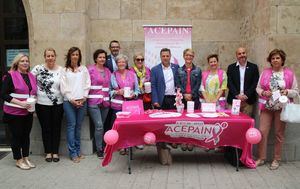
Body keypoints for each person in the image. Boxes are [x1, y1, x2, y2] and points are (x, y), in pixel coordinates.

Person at [255, 49, 299, 170]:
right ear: (270, 60)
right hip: (267, 107)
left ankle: (276, 159)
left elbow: (296, 91)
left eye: (277, 58)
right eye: (273, 58)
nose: (275, 60)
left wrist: (287, 92)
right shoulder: (265, 72)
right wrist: (263, 92)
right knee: (263, 132)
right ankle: (261, 158)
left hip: (282, 108)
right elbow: (258, 88)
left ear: (282, 60)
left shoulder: (289, 73)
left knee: (279, 134)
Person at [1, 53, 37, 170]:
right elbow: (4, 94)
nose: (25, 63)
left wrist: (33, 100)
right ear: (17, 63)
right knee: (16, 136)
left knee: (26, 136)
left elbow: (33, 92)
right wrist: (21, 103)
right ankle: (18, 159)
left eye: (27, 61)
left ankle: (26, 157)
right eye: (22, 61)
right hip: (14, 113)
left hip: (28, 112)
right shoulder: (10, 75)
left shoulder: (31, 76)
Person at [31, 48, 64, 162]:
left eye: (52, 56)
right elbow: (29, 82)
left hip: (58, 104)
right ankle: (48, 152)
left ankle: (55, 152)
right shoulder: (37, 69)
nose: (50, 58)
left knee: (56, 128)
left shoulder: (61, 70)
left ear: (55, 56)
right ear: (44, 57)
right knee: (46, 128)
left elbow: (65, 86)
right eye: (48, 56)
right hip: (42, 103)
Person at [60, 47, 91, 163]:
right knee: (71, 125)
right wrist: (71, 100)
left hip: (82, 101)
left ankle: (78, 151)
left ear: (79, 56)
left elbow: (88, 83)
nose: (75, 56)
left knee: (78, 126)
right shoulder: (64, 70)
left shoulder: (83, 69)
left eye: (77, 54)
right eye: (73, 54)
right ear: (69, 56)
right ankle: (72, 153)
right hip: (69, 102)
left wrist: (84, 98)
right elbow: (63, 87)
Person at [110, 54, 140, 155]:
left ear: (126, 63)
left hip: (130, 105)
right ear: (117, 64)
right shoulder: (113, 75)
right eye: (119, 62)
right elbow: (109, 91)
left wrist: (134, 94)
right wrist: (117, 92)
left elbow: (137, 90)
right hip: (117, 105)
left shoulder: (132, 74)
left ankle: (130, 143)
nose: (121, 64)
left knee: (130, 126)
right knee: (120, 126)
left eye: (123, 62)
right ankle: (121, 146)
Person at [87, 49, 111, 159]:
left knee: (102, 126)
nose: (102, 59)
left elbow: (109, 86)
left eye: (104, 57)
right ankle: (99, 149)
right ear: (96, 58)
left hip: (105, 102)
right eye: (100, 57)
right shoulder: (90, 70)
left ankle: (102, 145)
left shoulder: (107, 71)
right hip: (93, 102)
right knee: (99, 126)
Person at [176, 48, 201, 151]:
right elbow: (178, 83)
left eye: (190, 55)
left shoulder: (198, 70)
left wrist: (191, 94)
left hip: (194, 98)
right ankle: (183, 140)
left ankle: (191, 141)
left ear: (193, 57)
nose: (188, 57)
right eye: (187, 55)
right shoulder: (179, 70)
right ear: (184, 56)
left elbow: (198, 84)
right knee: (182, 121)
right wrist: (184, 94)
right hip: (182, 99)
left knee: (192, 121)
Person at [227, 47, 259, 116]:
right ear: (236, 56)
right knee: (233, 122)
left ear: (246, 54)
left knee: (246, 124)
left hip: (248, 101)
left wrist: (246, 95)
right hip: (234, 100)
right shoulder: (231, 67)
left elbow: (255, 82)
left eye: (243, 53)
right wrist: (237, 95)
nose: (242, 55)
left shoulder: (253, 67)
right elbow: (229, 83)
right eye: (239, 54)